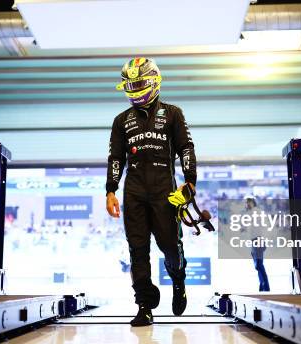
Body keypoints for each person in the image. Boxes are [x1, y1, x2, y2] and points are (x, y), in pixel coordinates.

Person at [106, 58, 196, 326]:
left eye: (139, 83)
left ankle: (178, 280)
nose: (134, 89)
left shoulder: (173, 113)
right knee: (137, 249)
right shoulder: (121, 120)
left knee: (170, 246)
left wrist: (190, 182)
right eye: (130, 85)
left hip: (164, 192)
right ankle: (144, 305)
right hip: (133, 192)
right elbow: (115, 159)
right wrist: (110, 190)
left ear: (154, 80)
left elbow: (186, 149)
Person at [244, 195, 270, 292]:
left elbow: (260, 227)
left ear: (252, 202)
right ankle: (262, 285)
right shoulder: (252, 212)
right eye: (246, 202)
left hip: (258, 240)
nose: (246, 204)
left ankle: (265, 286)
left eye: (248, 202)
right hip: (255, 240)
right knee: (258, 264)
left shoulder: (256, 212)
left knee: (258, 264)